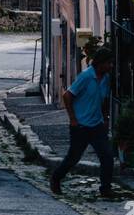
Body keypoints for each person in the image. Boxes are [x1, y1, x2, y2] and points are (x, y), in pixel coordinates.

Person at [49, 46, 115, 199]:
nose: (111, 66)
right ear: (100, 63)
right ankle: (56, 178)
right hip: (81, 125)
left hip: (96, 124)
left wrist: (105, 118)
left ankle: (105, 188)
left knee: (107, 156)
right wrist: (72, 119)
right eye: (108, 63)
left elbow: (104, 100)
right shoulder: (86, 76)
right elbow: (67, 96)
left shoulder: (105, 78)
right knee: (73, 157)